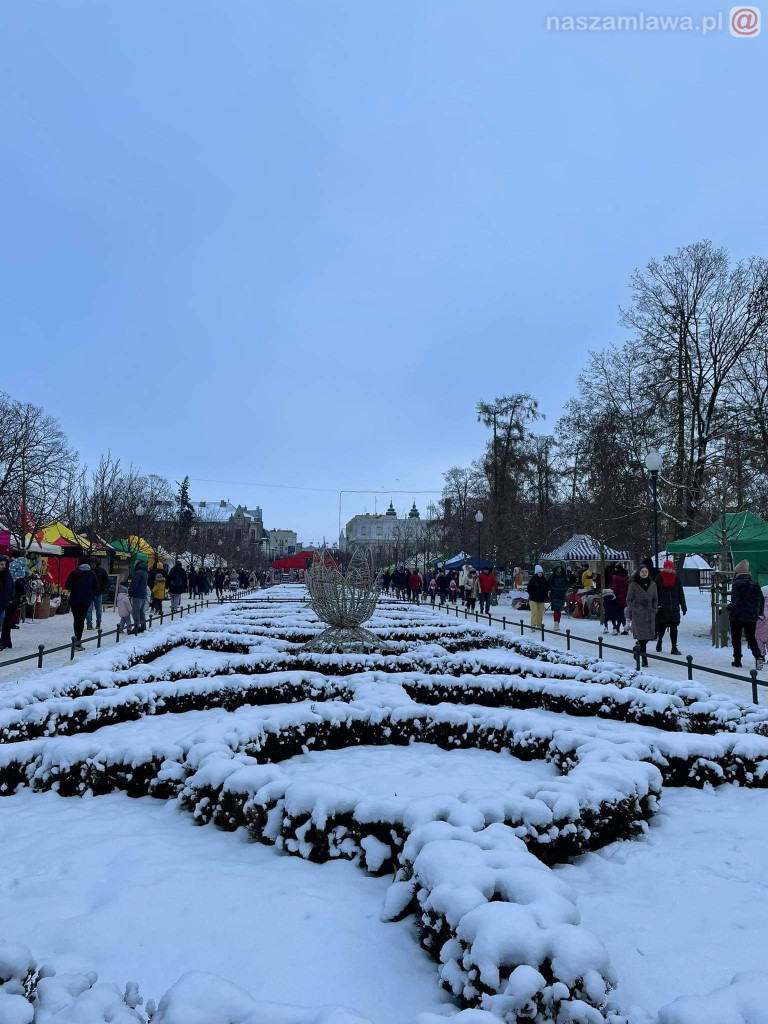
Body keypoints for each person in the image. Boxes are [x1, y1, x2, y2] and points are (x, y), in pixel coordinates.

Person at [729, 560, 765, 670]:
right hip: (751, 616)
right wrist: (759, 613)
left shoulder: (736, 584)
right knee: (751, 638)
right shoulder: (755, 584)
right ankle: (758, 656)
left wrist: (731, 614)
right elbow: (761, 600)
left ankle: (737, 660)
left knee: (736, 638)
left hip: (738, 616)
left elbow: (735, 602)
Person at [626, 564, 658, 667]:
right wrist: (635, 609)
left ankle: (637, 648)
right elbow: (629, 599)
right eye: (642, 571)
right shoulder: (634, 585)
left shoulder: (653, 584)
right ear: (639, 573)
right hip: (638, 614)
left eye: (646, 572)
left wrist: (654, 608)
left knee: (648, 636)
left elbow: (655, 598)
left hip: (649, 613)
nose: (644, 573)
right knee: (642, 637)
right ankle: (644, 659)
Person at [64, 558, 99, 651]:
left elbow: (67, 585)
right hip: (86, 600)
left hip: (74, 600)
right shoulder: (92, 574)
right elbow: (95, 588)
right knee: (82, 619)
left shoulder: (74, 573)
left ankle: (76, 639)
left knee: (76, 619)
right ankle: (78, 641)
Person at [655, 559, 686, 655]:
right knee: (662, 627)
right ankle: (660, 640)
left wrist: (683, 606)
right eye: (666, 568)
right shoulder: (658, 579)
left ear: (673, 569)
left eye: (670, 568)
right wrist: (657, 605)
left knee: (674, 628)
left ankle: (674, 647)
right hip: (663, 607)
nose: (668, 569)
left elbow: (680, 593)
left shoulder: (676, 579)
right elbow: (655, 593)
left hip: (674, 607)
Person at [86, 558, 109, 631]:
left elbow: (106, 581)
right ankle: (89, 624)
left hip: (98, 593)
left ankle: (98, 623)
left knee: (98, 610)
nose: (92, 565)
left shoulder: (101, 571)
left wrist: (103, 588)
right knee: (88, 609)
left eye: (94, 564)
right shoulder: (87, 571)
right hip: (89, 593)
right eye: (91, 564)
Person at [548, 563, 568, 632]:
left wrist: (564, 590)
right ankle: (556, 623)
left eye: (560, 568)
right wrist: (553, 589)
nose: (559, 570)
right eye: (557, 568)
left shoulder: (564, 576)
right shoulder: (552, 576)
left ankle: (557, 623)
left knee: (559, 609)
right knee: (556, 610)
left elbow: (567, 584)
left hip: (561, 595)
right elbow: (549, 584)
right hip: (554, 595)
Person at [0, 556, 15, 651]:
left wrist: (11, 597)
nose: (3, 566)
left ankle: (4, 641)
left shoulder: (7, 574)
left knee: (1, 621)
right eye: (1, 564)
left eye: (5, 564)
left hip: (3, 603)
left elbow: (11, 587)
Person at [129, 562, 149, 633]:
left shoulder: (138, 573)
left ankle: (136, 627)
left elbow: (134, 583)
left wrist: (130, 591)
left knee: (136, 612)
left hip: (137, 594)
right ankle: (143, 626)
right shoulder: (145, 573)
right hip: (143, 594)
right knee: (141, 612)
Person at [611, 565, 630, 635]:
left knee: (619, 613)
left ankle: (618, 627)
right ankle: (620, 627)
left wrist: (613, 596)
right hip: (625, 597)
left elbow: (615, 588)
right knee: (621, 612)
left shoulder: (615, 577)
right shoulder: (626, 577)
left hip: (617, 597)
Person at [755, 586, 768, 661]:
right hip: (764, 623)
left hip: (760, 622)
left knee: (759, 640)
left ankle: (761, 656)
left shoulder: (760, 600)